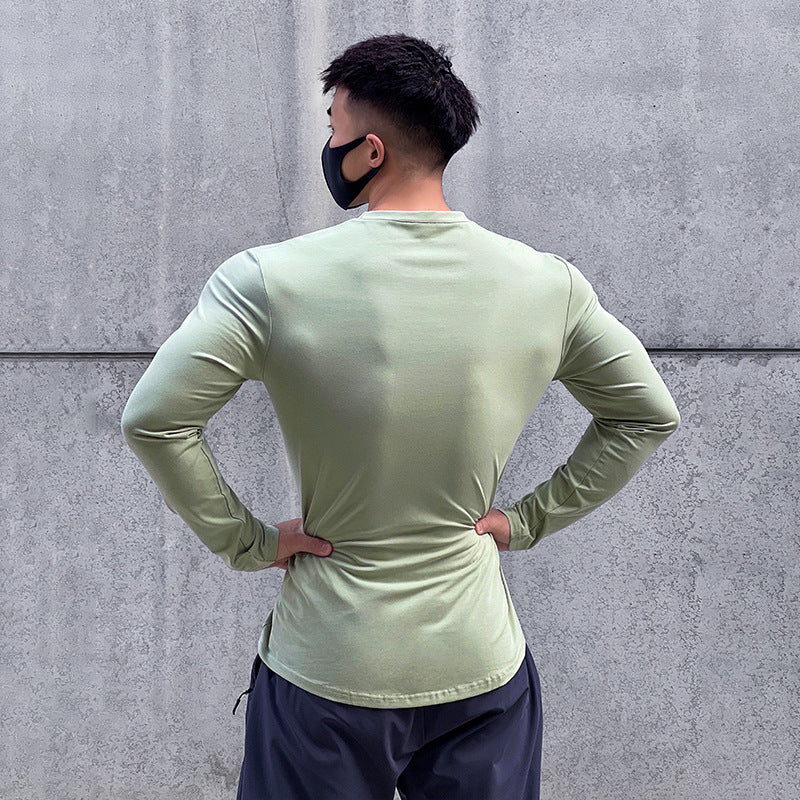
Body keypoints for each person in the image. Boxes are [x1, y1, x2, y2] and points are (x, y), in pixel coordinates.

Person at [120, 32, 681, 800]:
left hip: (326, 669)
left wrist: (248, 541)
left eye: (333, 127)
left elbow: (154, 419)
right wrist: (525, 521)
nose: (329, 144)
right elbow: (646, 415)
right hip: (480, 670)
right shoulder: (548, 286)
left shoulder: (268, 280)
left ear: (371, 151)